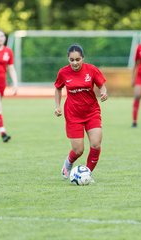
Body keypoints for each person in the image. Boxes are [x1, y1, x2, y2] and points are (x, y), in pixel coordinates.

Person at [54, 44, 108, 179]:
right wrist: (57, 106)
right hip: (73, 114)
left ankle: (86, 174)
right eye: (71, 60)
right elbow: (58, 88)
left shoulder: (91, 70)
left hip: (92, 112)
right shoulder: (63, 72)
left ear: (83, 58)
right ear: (68, 59)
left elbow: (102, 85)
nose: (75, 62)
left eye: (78, 59)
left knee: (95, 144)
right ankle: (68, 162)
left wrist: (103, 93)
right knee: (78, 150)